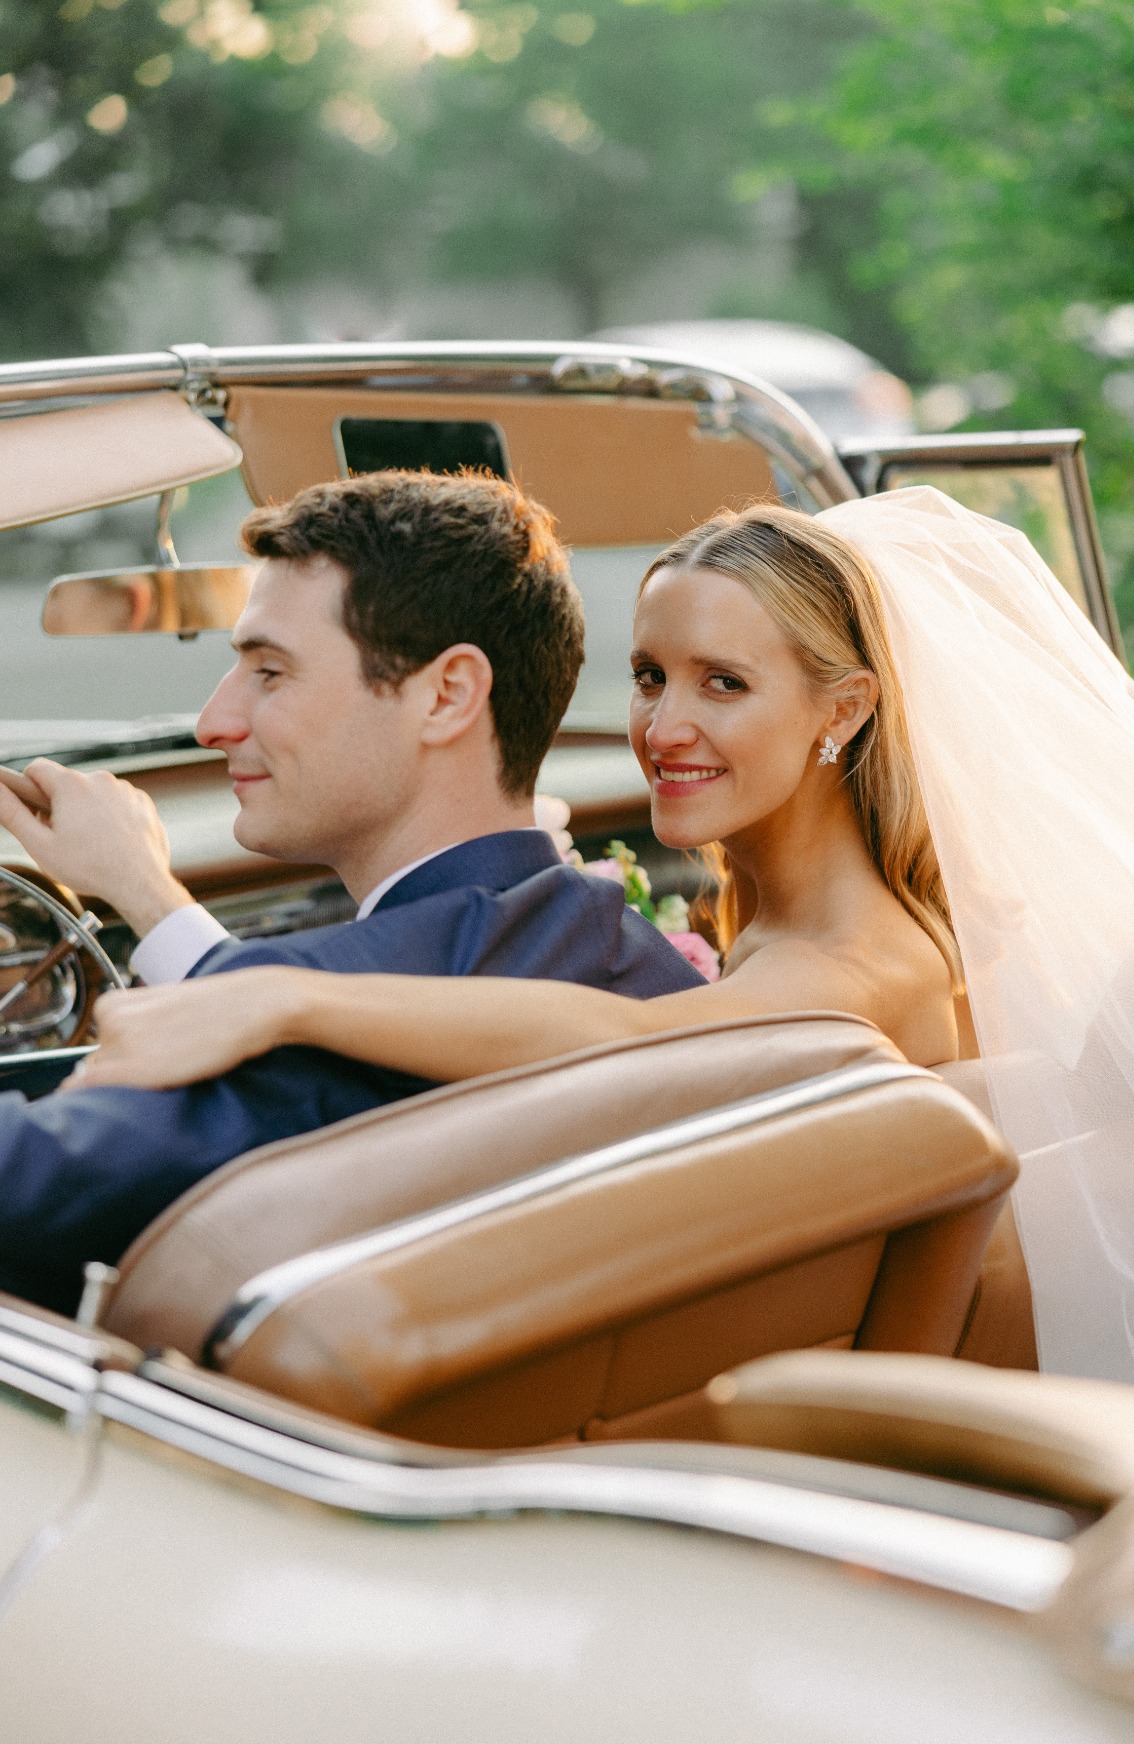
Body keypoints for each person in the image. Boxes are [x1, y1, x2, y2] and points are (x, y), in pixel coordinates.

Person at [78, 488, 1134, 1396]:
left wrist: (281, 998)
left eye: (725, 684)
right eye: (651, 677)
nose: (665, 730)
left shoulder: (852, 968)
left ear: (844, 711)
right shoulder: (836, 923)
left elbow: (631, 1039)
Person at [0, 470, 705, 1315]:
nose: (213, 723)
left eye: (269, 672)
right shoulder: (632, 960)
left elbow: (25, 1178)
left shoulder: (310, 1041)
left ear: (447, 695)